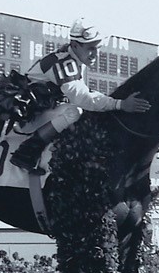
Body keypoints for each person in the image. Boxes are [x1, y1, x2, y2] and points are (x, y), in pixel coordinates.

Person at [9, 18, 150, 174]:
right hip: (25, 115)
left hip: (42, 109)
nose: (95, 54)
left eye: (97, 48)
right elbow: (83, 99)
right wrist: (120, 104)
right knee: (75, 112)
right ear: (75, 45)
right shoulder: (64, 63)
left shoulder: (73, 58)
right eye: (90, 48)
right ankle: (28, 150)